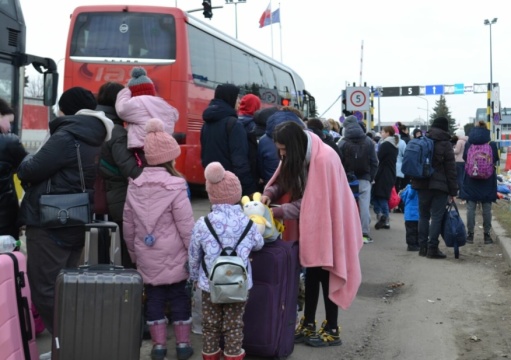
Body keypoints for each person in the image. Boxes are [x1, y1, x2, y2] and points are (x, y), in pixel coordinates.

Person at [17, 87, 113, 339]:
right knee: (66, 285)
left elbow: (29, 170)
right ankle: (75, 340)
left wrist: (24, 161)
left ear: (67, 108)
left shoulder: (67, 135)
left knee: (45, 288)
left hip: (50, 221)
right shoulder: (96, 134)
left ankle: (71, 341)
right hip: (76, 217)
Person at [260, 121, 362, 347]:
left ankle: (332, 328)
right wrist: (268, 194)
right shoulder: (297, 153)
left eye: (284, 149)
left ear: (294, 146)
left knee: (328, 271)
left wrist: (276, 211)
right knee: (313, 272)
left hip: (332, 222)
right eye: (279, 149)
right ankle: (308, 323)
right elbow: (283, 182)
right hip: (315, 223)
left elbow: (310, 206)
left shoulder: (324, 158)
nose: (281, 154)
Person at [123, 119, 195, 360]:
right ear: (169, 158)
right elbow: (186, 227)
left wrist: (136, 256)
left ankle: (158, 347)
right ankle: (183, 345)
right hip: (175, 254)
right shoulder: (176, 185)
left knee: (153, 298)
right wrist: (193, 255)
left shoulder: (134, 185)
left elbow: (129, 226)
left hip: (146, 254)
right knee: (178, 297)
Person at [188, 162, 264, 360]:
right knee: (234, 325)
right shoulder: (247, 223)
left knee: (211, 325)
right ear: (237, 194)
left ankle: (211, 355)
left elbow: (194, 254)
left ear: (211, 195)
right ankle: (232, 354)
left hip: (209, 286)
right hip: (238, 285)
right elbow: (259, 244)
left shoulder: (203, 224)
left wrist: (195, 277)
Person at [96, 82, 143, 268]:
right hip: (118, 199)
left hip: (95, 196)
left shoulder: (94, 123)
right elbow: (130, 169)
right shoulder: (117, 132)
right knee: (126, 251)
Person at [410, 117, 458, 259]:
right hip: (440, 186)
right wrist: (453, 191)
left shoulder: (424, 141)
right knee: (437, 217)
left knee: (423, 216)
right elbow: (451, 170)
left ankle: (422, 247)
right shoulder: (446, 144)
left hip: (422, 184)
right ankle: (432, 249)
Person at [115, 67, 179, 165]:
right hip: (162, 147)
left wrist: (125, 91)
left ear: (133, 91)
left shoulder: (136, 102)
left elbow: (121, 110)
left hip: (142, 145)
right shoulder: (161, 103)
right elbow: (174, 116)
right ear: (151, 89)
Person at [201, 84, 257, 196]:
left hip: (213, 183)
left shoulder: (206, 124)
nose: (240, 101)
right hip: (231, 185)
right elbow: (239, 160)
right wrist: (249, 188)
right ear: (229, 98)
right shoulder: (234, 124)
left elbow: (204, 156)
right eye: (237, 97)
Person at [337, 115, 378, 243]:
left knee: (345, 206)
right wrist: (370, 177)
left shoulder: (342, 142)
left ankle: (346, 234)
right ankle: (364, 233)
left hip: (346, 179)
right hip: (364, 178)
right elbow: (374, 162)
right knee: (364, 206)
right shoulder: (368, 141)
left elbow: (338, 162)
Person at [459, 121, 499, 244]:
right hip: (488, 179)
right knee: (486, 208)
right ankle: (487, 235)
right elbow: (495, 159)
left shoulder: (469, 144)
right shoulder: (491, 144)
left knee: (471, 207)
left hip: (471, 179)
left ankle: (470, 235)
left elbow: (465, 158)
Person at [0, 98, 28, 240]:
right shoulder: (8, 142)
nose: (10, 127)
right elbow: (30, 170)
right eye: (9, 121)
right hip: (4, 220)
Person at [257, 107, 305, 185]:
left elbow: (260, 167)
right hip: (296, 187)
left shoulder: (263, 139)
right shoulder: (303, 137)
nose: (281, 153)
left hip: (270, 184)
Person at [372, 126, 398, 230]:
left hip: (383, 174)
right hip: (389, 173)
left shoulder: (386, 144)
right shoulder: (393, 144)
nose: (381, 133)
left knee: (380, 196)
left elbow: (378, 158)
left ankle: (384, 218)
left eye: (382, 132)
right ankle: (382, 217)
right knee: (380, 196)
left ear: (387, 133)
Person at [399, 184, 420, 251]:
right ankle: (411, 245)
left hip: (409, 215)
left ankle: (415, 244)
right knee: (412, 231)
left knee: (413, 231)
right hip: (413, 214)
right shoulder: (413, 188)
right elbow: (411, 194)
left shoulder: (407, 188)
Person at [453, 128, 467, 202]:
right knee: (462, 178)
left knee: (459, 179)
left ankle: (462, 195)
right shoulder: (466, 141)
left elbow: (457, 151)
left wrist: (452, 150)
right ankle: (462, 194)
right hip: (464, 161)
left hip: (458, 161)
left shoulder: (459, 141)